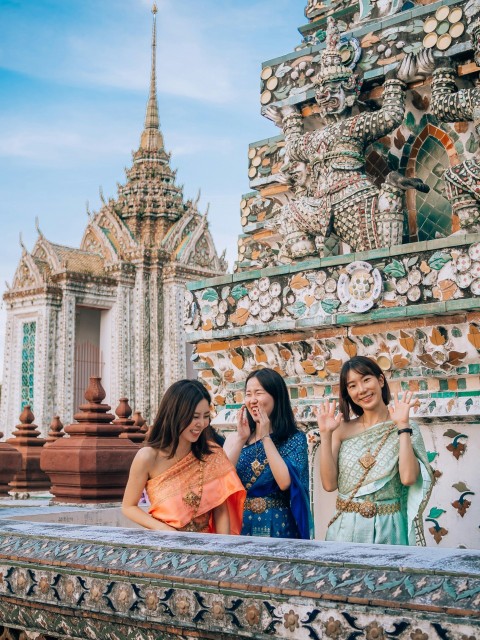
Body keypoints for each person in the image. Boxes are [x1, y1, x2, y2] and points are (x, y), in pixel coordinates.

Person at [316, 356, 433, 545]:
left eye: (366, 380)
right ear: (348, 393)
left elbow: (408, 478)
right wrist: (325, 434)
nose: (361, 390)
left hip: (390, 527)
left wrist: (402, 426)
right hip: (345, 528)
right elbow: (329, 485)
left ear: (380, 380)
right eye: (352, 385)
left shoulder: (405, 425)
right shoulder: (341, 429)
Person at [122, 379, 245, 534]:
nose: (201, 423)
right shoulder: (147, 457)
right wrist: (163, 529)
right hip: (167, 545)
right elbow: (128, 506)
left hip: (206, 548)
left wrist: (222, 550)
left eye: (206, 416)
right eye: (194, 417)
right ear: (175, 414)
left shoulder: (212, 454)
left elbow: (220, 510)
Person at [224, 368, 312, 539]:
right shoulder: (235, 438)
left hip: (278, 525)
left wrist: (265, 437)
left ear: (276, 397)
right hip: (240, 523)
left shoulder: (294, 439)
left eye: (259, 393)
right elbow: (222, 481)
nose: (253, 400)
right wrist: (241, 440)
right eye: (248, 394)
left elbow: (284, 482)